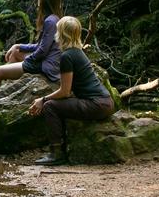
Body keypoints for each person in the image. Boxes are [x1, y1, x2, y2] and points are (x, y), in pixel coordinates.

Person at [28, 15, 115, 165]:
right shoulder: (77, 52)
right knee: (57, 104)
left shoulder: (67, 56)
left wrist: (42, 99)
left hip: (97, 104)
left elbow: (65, 91)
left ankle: (56, 154)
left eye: (57, 31)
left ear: (61, 34)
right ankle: (60, 148)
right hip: (105, 102)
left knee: (50, 107)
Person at [0, 0, 63, 96]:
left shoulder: (50, 21)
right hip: (46, 62)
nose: (38, 0)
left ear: (45, 1)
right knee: (16, 52)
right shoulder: (54, 19)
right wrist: (18, 46)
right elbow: (40, 45)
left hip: (46, 66)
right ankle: (4, 87)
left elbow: (42, 51)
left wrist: (27, 60)